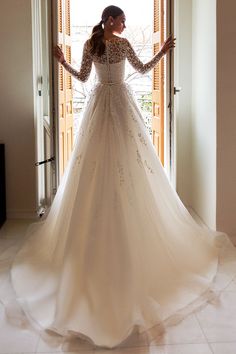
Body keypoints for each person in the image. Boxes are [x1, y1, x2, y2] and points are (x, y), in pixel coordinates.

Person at [1, 4, 236, 349]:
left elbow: (85, 78)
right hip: (114, 106)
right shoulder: (101, 44)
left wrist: (63, 61)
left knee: (124, 167)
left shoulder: (96, 44)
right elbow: (137, 71)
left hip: (107, 107)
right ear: (110, 20)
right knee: (101, 168)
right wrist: (159, 54)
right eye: (122, 20)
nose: (125, 24)